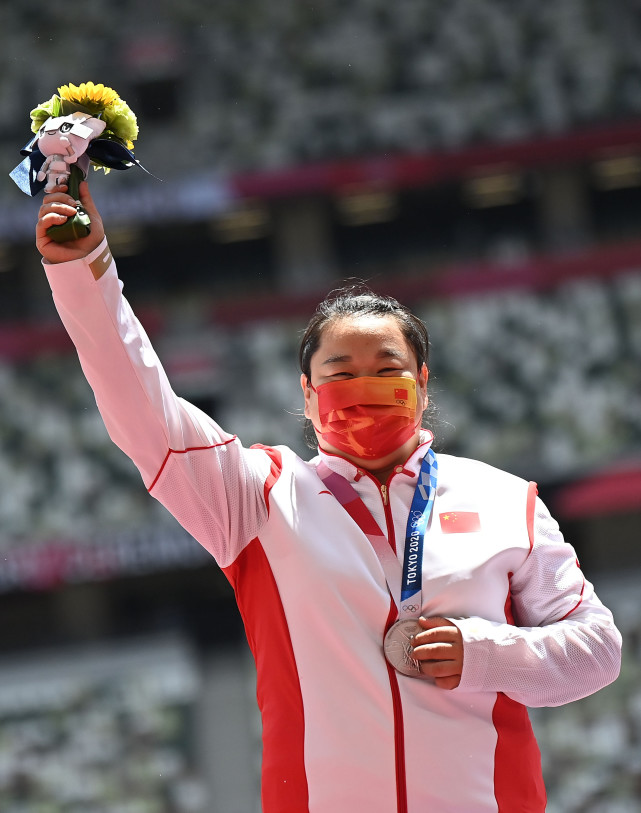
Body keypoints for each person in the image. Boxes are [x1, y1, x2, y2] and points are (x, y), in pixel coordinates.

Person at [36, 182, 622, 813]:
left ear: (422, 383)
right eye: (340, 374)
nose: (363, 388)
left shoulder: (507, 500)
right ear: (308, 394)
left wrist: (485, 654)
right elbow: (140, 407)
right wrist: (83, 273)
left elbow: (597, 651)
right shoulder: (255, 497)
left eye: (386, 369)